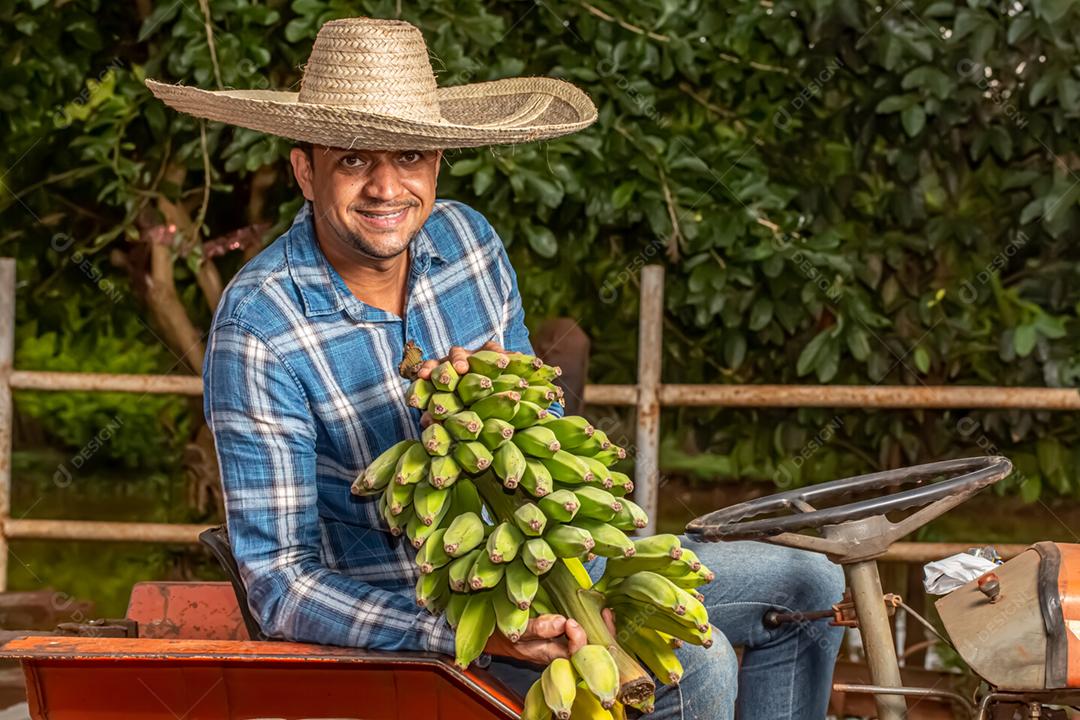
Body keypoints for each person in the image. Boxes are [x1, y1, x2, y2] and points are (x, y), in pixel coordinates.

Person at [147, 16, 845, 719]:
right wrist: (477, 634)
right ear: (306, 170)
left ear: (439, 161)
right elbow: (280, 584)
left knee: (810, 582)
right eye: (355, 159)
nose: (387, 188)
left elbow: (540, 435)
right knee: (699, 662)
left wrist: (499, 400)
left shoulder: (468, 242)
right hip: (422, 617)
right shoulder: (260, 327)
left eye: (411, 157)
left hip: (552, 561)